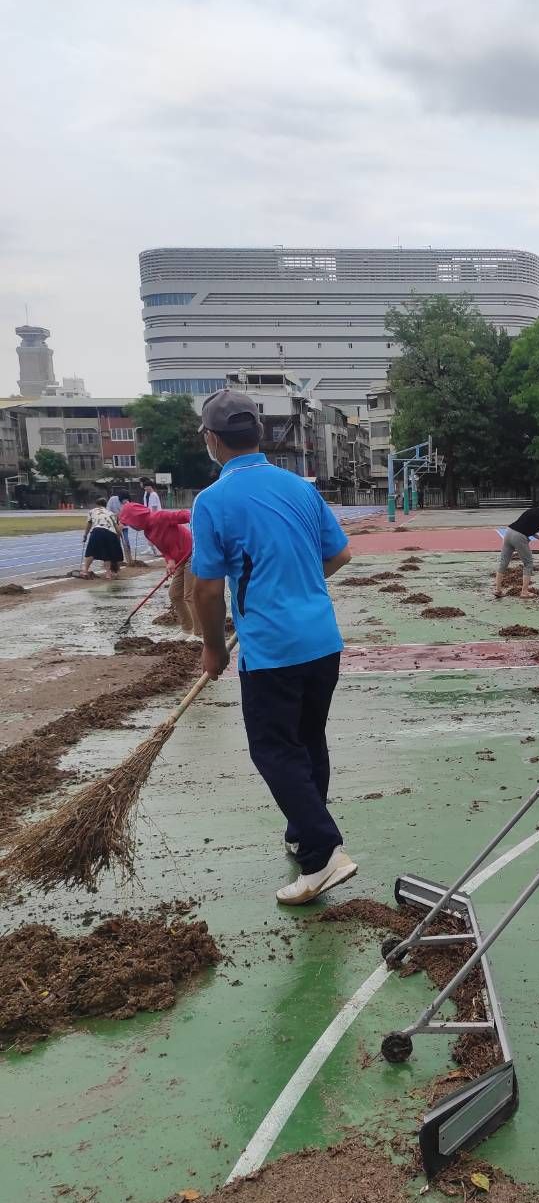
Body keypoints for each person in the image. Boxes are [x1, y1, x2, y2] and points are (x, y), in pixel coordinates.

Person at [189, 389, 357, 907]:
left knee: (273, 749)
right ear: (258, 436)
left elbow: (207, 590)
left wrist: (213, 649)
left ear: (213, 440)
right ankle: (305, 832)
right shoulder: (299, 488)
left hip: (273, 651)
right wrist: (296, 584)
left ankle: (323, 854)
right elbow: (340, 554)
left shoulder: (213, 500)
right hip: (321, 641)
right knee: (308, 741)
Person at [119, 500, 200, 637]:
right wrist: (170, 561)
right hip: (180, 560)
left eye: (131, 523)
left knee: (189, 595)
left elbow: (185, 515)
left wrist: (197, 523)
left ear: (136, 518)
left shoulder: (160, 517)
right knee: (174, 594)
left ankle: (199, 634)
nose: (131, 526)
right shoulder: (148, 532)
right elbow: (164, 550)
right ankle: (187, 630)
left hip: (193, 554)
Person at [493, 497, 539, 600]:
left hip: (509, 532)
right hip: (519, 537)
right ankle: (524, 592)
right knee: (528, 563)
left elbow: (531, 530)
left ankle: (497, 590)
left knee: (503, 562)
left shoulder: (531, 511)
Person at [77, 499, 124, 579]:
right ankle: (108, 574)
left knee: (90, 552)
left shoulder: (92, 511)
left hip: (97, 531)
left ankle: (85, 571)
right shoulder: (111, 513)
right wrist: (121, 536)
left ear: (97, 504)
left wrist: (85, 535)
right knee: (107, 554)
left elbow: (89, 523)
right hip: (110, 533)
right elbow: (116, 527)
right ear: (105, 505)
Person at [106, 490, 133, 563]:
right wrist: (115, 515)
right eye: (124, 499)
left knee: (126, 542)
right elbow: (107, 511)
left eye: (127, 499)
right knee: (115, 542)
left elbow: (129, 516)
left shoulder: (128, 504)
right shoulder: (112, 499)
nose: (125, 501)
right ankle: (116, 560)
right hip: (114, 525)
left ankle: (129, 560)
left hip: (124, 525)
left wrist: (123, 522)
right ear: (120, 498)